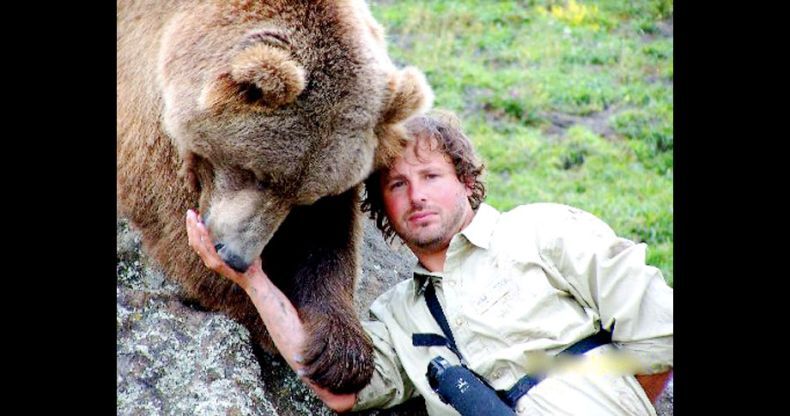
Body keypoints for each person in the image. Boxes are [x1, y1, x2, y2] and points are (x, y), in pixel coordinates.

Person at [185, 110, 673, 415]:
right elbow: (339, 392)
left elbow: (662, 331)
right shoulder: (399, 314)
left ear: (465, 180)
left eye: (432, 175)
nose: (416, 196)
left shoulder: (542, 232)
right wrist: (251, 280)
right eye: (397, 185)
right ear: (381, 207)